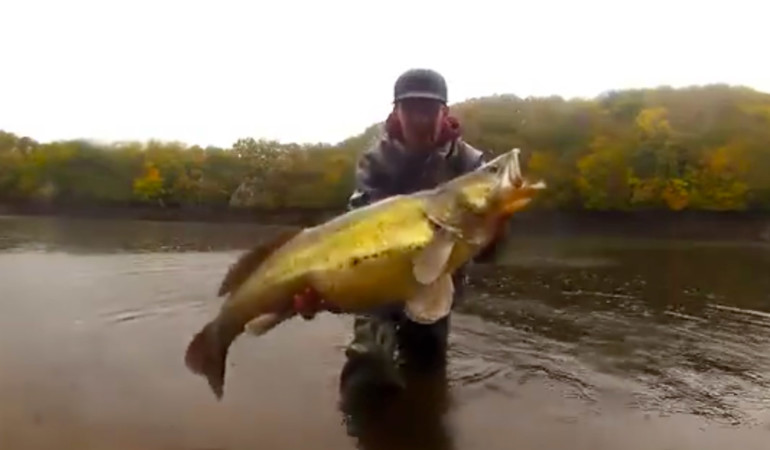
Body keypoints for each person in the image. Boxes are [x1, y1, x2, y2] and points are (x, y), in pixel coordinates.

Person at [293, 68, 507, 417]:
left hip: (437, 281)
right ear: (396, 113)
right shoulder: (374, 160)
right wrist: (328, 292)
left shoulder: (473, 165)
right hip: (379, 278)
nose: (421, 119)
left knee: (427, 374)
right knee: (368, 367)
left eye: (429, 109)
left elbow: (489, 254)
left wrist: (498, 226)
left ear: (445, 113)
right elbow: (354, 236)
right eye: (411, 110)